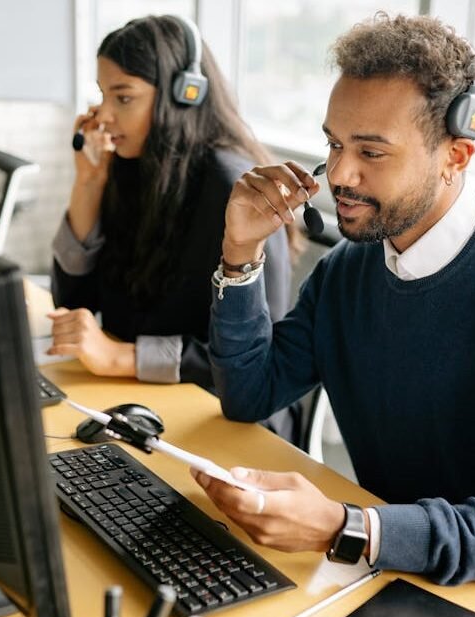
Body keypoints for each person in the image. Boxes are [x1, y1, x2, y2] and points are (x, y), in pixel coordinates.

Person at [192, 12, 475, 617]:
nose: (340, 176)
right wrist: (241, 252)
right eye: (334, 144)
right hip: (402, 574)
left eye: (371, 152)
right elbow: (250, 393)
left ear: (456, 155)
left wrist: (352, 527)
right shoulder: (348, 273)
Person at [49, 15, 301, 439]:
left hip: (228, 421)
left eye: (123, 98)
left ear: (185, 95)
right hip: (144, 403)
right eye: (102, 96)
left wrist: (121, 357)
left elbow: (259, 359)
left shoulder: (234, 190)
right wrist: (88, 184)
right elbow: (74, 300)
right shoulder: (131, 168)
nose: (104, 116)